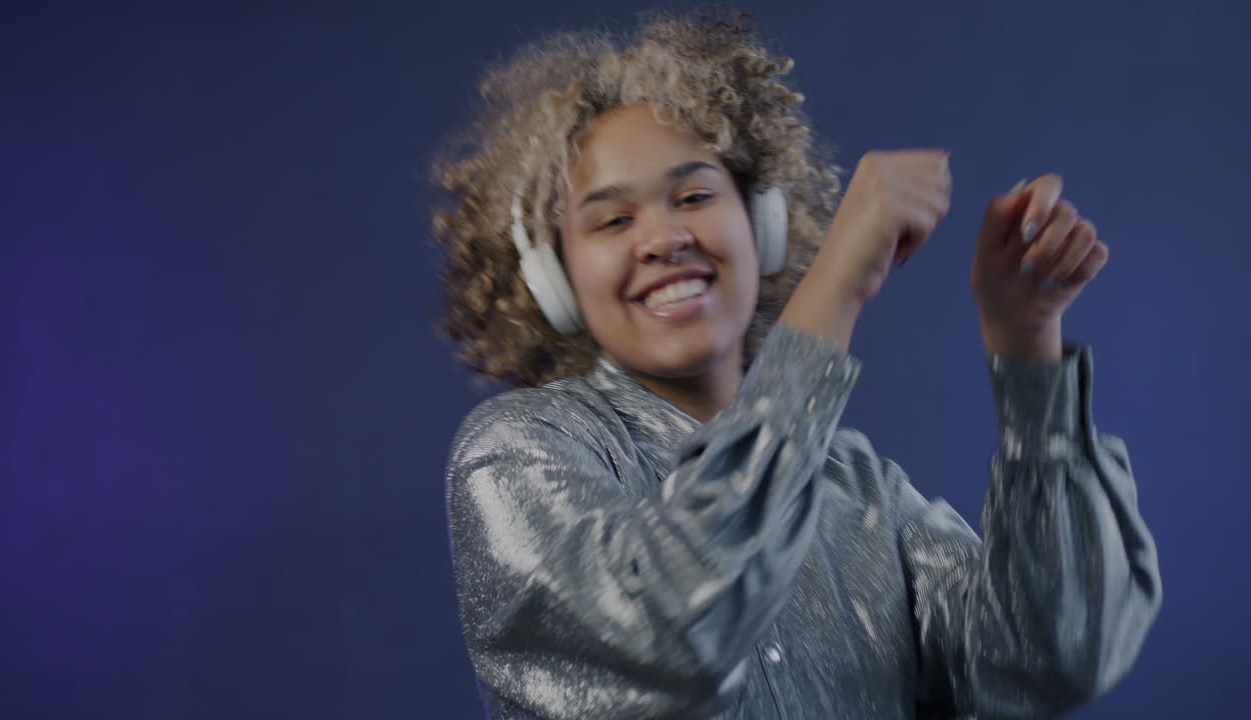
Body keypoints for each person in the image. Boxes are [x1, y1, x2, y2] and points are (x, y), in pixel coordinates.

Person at [433, 10, 1161, 719]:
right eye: (613, 219)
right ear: (553, 279)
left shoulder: (860, 488)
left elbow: (1049, 661)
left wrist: (1028, 349)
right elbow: (665, 639)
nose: (664, 237)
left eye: (694, 195)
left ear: (764, 225)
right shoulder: (517, 454)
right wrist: (837, 284)